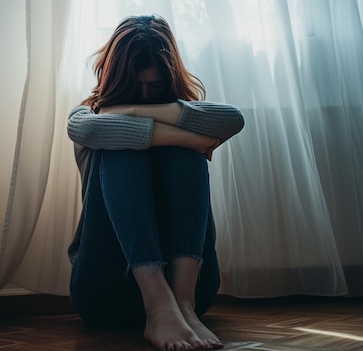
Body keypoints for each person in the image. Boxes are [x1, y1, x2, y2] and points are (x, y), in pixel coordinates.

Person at [67, 15, 245, 351]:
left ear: (169, 79)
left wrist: (135, 110)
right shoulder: (88, 116)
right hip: (106, 287)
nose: (146, 96)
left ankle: (180, 303)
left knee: (182, 152)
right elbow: (88, 130)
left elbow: (234, 118)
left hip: (192, 293)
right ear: (117, 78)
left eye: (156, 88)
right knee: (123, 147)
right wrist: (192, 138)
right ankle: (157, 304)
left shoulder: (184, 110)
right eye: (136, 89)